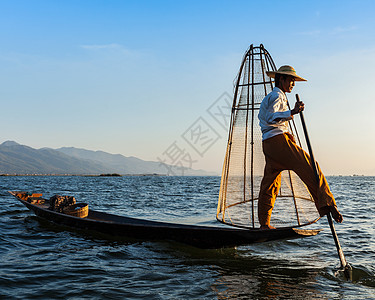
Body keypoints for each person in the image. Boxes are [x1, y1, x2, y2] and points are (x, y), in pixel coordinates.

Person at [257, 65, 343, 230]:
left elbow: (269, 120)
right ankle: (328, 204)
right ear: (281, 79)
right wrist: (293, 111)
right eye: (291, 80)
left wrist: (287, 130)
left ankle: (264, 223)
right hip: (277, 143)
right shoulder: (277, 95)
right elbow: (270, 117)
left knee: (270, 184)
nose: (293, 84)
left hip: (269, 144)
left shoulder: (272, 96)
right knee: (311, 167)